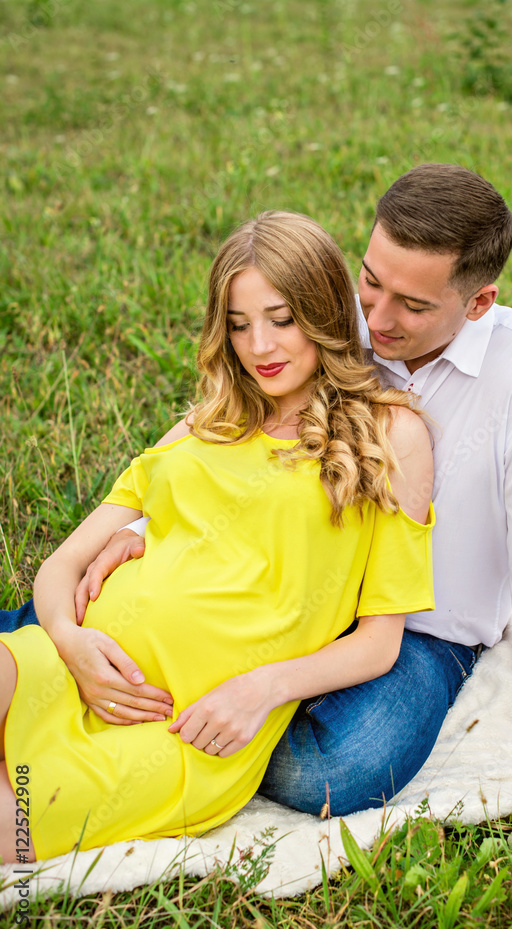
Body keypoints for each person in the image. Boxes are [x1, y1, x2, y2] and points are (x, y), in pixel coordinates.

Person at [3, 162, 512, 820]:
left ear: (478, 303)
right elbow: (225, 467)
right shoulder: (320, 322)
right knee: (80, 622)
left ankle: (204, 715)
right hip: (250, 581)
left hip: (421, 628)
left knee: (325, 769)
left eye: (411, 305)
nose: (375, 318)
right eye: (370, 282)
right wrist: (141, 534)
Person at [0, 210, 436, 861]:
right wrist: (70, 640)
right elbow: (63, 563)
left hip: (181, 725)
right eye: (239, 324)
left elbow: (379, 642)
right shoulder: (208, 420)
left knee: (18, 823)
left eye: (282, 318)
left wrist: (262, 689)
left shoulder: (388, 435)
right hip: (68, 667)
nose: (260, 345)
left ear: (324, 311)